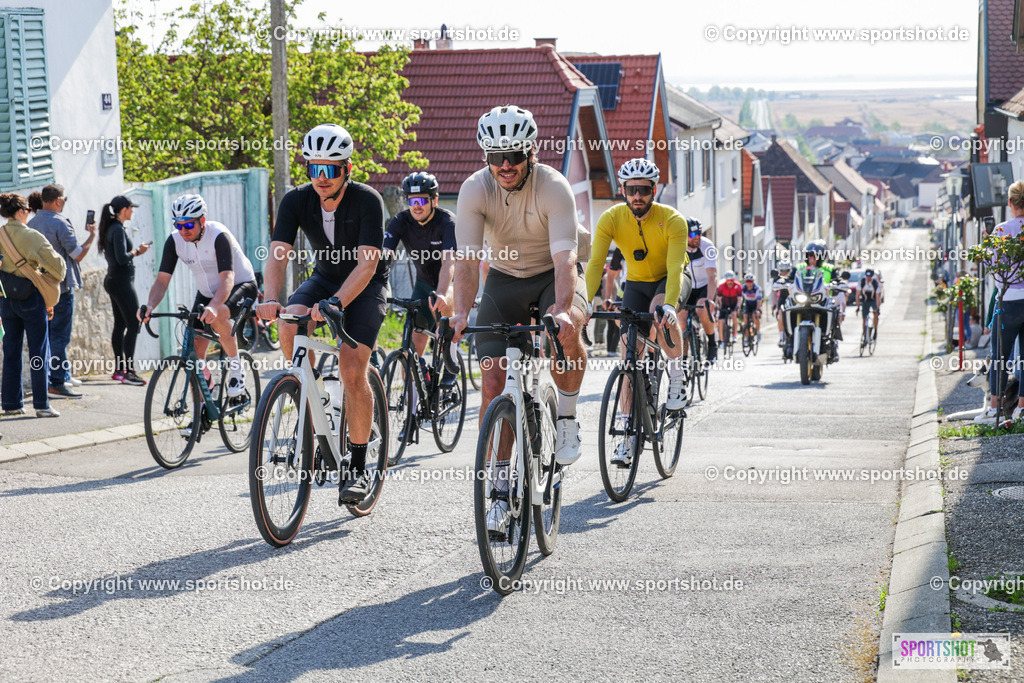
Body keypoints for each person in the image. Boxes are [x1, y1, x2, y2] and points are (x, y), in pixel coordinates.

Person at [450, 104, 590, 537]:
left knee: (565, 336)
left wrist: (564, 309)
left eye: (514, 156)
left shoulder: (554, 186)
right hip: (507, 279)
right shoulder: (475, 190)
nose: (505, 166)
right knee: (493, 387)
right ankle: (497, 490)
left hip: (554, 275)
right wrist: (459, 312)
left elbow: (565, 257)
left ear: (530, 153)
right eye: (496, 157)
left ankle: (565, 417)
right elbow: (469, 263)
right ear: (485, 156)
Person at [257, 123, 391, 504]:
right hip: (324, 278)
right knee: (288, 324)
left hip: (365, 288)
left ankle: (360, 466)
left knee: (352, 370)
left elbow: (367, 265)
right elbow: (279, 253)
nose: (321, 177)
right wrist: (270, 297)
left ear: (347, 169)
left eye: (330, 169)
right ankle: (314, 398)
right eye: (314, 168)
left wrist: (337, 304)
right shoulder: (295, 201)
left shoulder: (367, 200)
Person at [585, 158, 690, 466]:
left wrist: (670, 305)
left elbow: (674, 268)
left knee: (660, 313)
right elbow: (595, 265)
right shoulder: (611, 218)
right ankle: (628, 437)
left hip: (668, 281)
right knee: (629, 357)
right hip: (635, 284)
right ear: (623, 190)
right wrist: (585, 303)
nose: (637, 196)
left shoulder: (672, 219)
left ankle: (677, 377)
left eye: (643, 189)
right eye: (631, 190)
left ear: (653, 190)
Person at [139, 194, 258, 396]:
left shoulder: (218, 235)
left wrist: (213, 306)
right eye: (179, 225)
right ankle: (202, 407)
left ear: (202, 221)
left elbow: (228, 278)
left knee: (219, 313)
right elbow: (161, 281)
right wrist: (149, 306)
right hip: (206, 294)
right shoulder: (175, 240)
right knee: (194, 354)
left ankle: (237, 369)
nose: (183, 230)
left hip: (240, 284)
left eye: (188, 225)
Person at [382, 171, 456, 384]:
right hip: (423, 285)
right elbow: (385, 256)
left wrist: (442, 292)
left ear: (434, 200)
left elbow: (448, 262)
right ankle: (413, 409)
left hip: (449, 284)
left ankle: (450, 357)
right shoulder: (400, 221)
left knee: (444, 303)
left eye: (422, 200)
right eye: (412, 200)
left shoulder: (447, 222)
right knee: (410, 354)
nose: (416, 205)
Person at [0, 193, 66, 417]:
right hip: (30, 299)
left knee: (10, 351)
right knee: (38, 352)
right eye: (27, 210)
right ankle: (42, 404)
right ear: (21, 212)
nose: (28, 214)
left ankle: (11, 404)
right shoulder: (31, 236)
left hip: (6, 300)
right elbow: (59, 269)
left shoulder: (0, 234)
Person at [29, 184, 96, 399]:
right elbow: (77, 254)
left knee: (47, 336)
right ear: (58, 200)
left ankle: (58, 377)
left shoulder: (32, 223)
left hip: (39, 287)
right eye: (64, 199)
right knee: (60, 337)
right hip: (61, 287)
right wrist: (92, 236)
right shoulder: (60, 222)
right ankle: (57, 382)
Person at [976, 180, 1024, 423]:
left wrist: (987, 246)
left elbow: (991, 269)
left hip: (1008, 302)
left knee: (999, 358)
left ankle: (994, 408)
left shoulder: (1002, 231)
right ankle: (1021, 409)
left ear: (1010, 203)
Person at [98, 194, 149, 386]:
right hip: (121, 282)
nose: (133, 211)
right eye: (131, 208)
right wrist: (138, 251)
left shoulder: (112, 227)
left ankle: (120, 369)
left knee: (120, 325)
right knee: (134, 324)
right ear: (124, 210)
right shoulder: (117, 229)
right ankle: (129, 371)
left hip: (114, 281)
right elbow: (121, 258)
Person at [682, 218, 719, 361]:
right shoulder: (677, 246)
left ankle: (712, 343)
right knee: (681, 318)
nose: (697, 237)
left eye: (699, 233)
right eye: (692, 235)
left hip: (705, 286)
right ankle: (683, 358)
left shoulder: (707, 246)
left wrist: (709, 299)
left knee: (703, 309)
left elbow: (712, 276)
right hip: (687, 287)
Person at [771, 260, 794, 346]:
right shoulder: (777, 278)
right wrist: (774, 305)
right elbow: (774, 292)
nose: (784, 273)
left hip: (794, 298)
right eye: (782, 271)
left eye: (787, 271)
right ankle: (781, 338)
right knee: (781, 315)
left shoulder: (794, 276)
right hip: (783, 298)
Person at [716, 271, 742, 346]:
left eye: (731, 280)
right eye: (728, 280)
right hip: (724, 303)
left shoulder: (738, 285)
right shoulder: (721, 286)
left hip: (734, 303)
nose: (730, 282)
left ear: (734, 279)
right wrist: (719, 307)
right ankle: (721, 340)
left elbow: (740, 298)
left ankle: (734, 335)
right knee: (721, 322)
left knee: (734, 316)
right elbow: (719, 298)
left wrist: (738, 307)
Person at [856, 268, 881, 341]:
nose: (868, 278)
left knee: (875, 314)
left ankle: (875, 330)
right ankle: (864, 336)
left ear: (872, 276)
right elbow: (857, 295)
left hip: (873, 300)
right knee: (864, 318)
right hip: (865, 301)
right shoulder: (862, 282)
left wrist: (877, 308)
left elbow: (877, 297)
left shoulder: (875, 283)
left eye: (869, 276)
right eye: (867, 276)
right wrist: (858, 306)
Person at [740, 273, 763, 340]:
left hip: (755, 303)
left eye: (751, 281)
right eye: (747, 281)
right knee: (746, 319)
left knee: (754, 316)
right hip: (748, 303)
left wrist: (757, 309)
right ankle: (746, 337)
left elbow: (759, 300)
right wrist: (739, 307)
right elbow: (741, 299)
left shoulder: (757, 288)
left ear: (753, 282)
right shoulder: (743, 288)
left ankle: (758, 332)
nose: (749, 283)